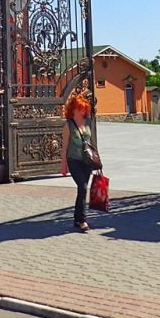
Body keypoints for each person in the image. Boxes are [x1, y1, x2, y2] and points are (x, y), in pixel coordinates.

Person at [60, 94, 94, 232]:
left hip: (87, 160)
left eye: (85, 109)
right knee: (83, 186)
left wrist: (96, 158)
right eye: (80, 109)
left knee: (82, 190)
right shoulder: (68, 125)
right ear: (73, 109)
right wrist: (63, 165)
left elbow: (92, 141)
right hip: (74, 160)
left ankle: (76, 218)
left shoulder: (88, 122)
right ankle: (83, 220)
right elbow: (65, 146)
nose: (83, 112)